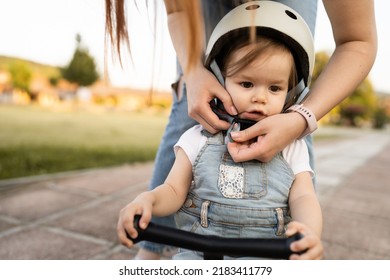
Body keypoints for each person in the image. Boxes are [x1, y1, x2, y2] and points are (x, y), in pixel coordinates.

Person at [105, 0, 377, 259]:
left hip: (265, 253)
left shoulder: (292, 149)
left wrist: (309, 231)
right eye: (246, 84)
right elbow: (174, 190)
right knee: (186, 112)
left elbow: (304, 196)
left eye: (275, 88)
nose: (260, 97)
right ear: (221, 79)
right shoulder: (197, 138)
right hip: (199, 250)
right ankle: (150, 250)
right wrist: (148, 200)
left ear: (291, 92)